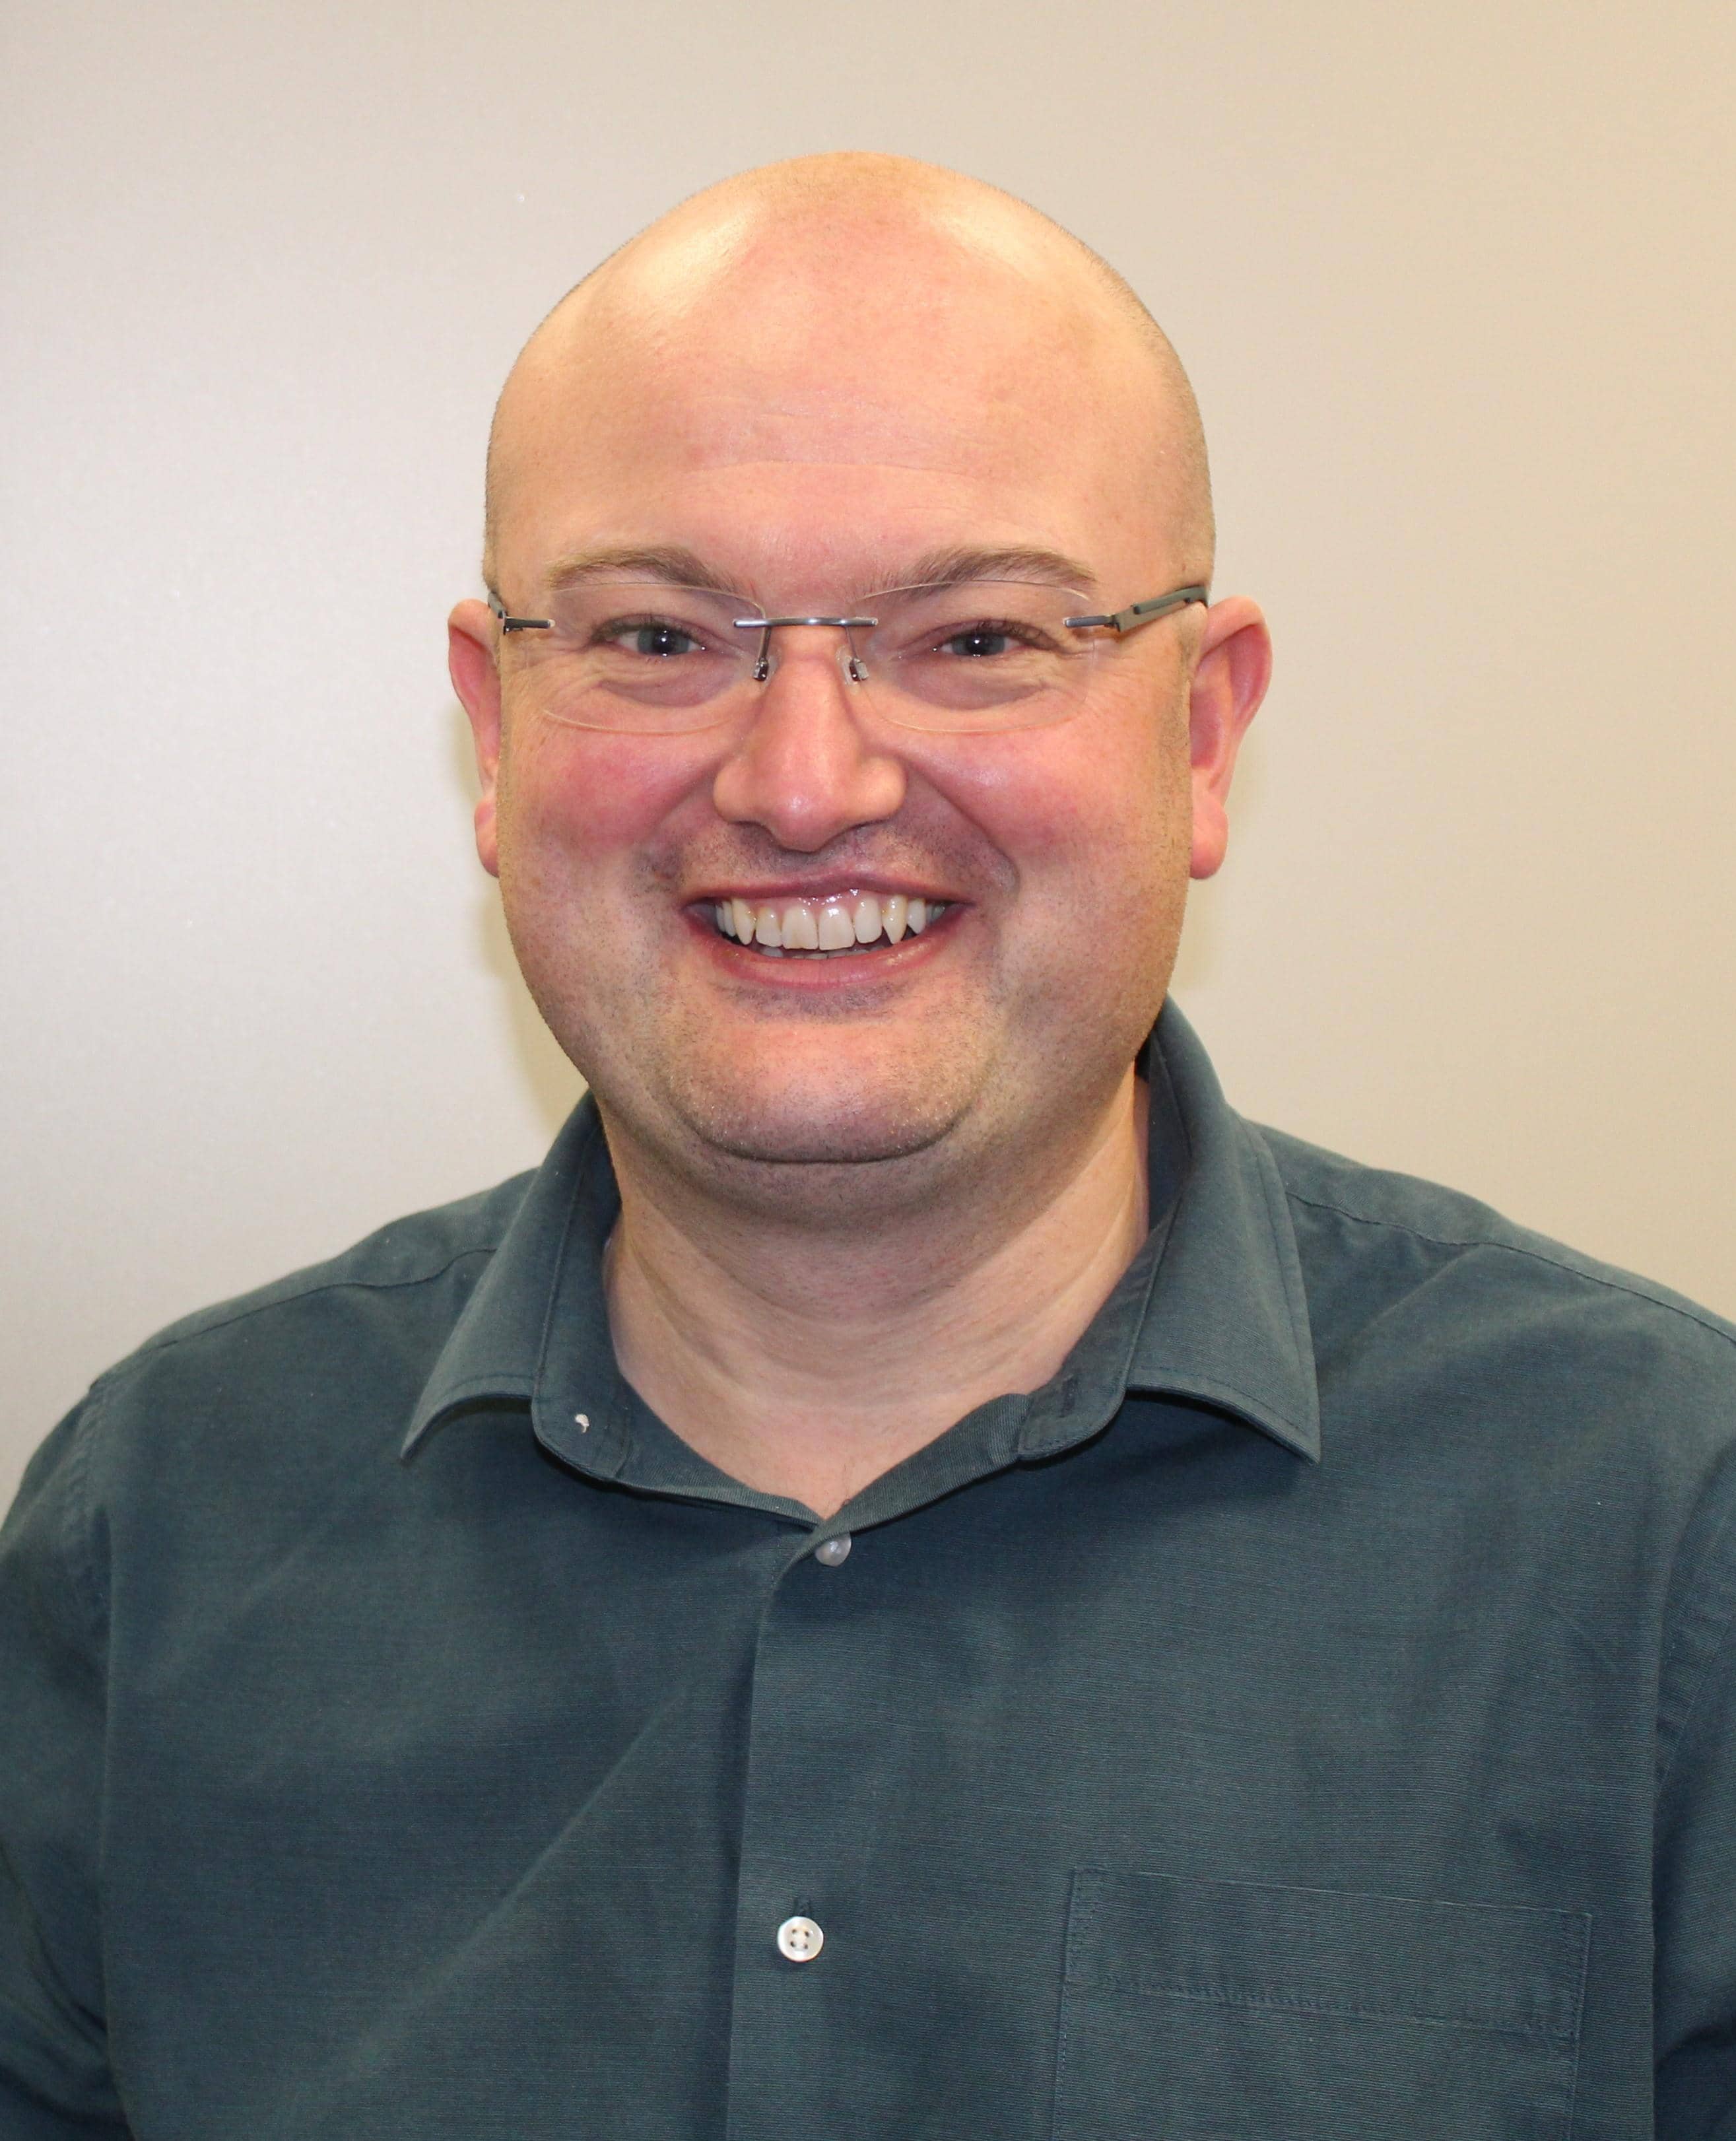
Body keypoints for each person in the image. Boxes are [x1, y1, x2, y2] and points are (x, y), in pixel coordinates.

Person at [2, 151, 1733, 2139]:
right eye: (659, 637)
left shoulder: (1668, 1532)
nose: (806, 779)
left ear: (1198, 736)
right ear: (497, 733)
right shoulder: (158, 1532)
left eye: (980, 637)